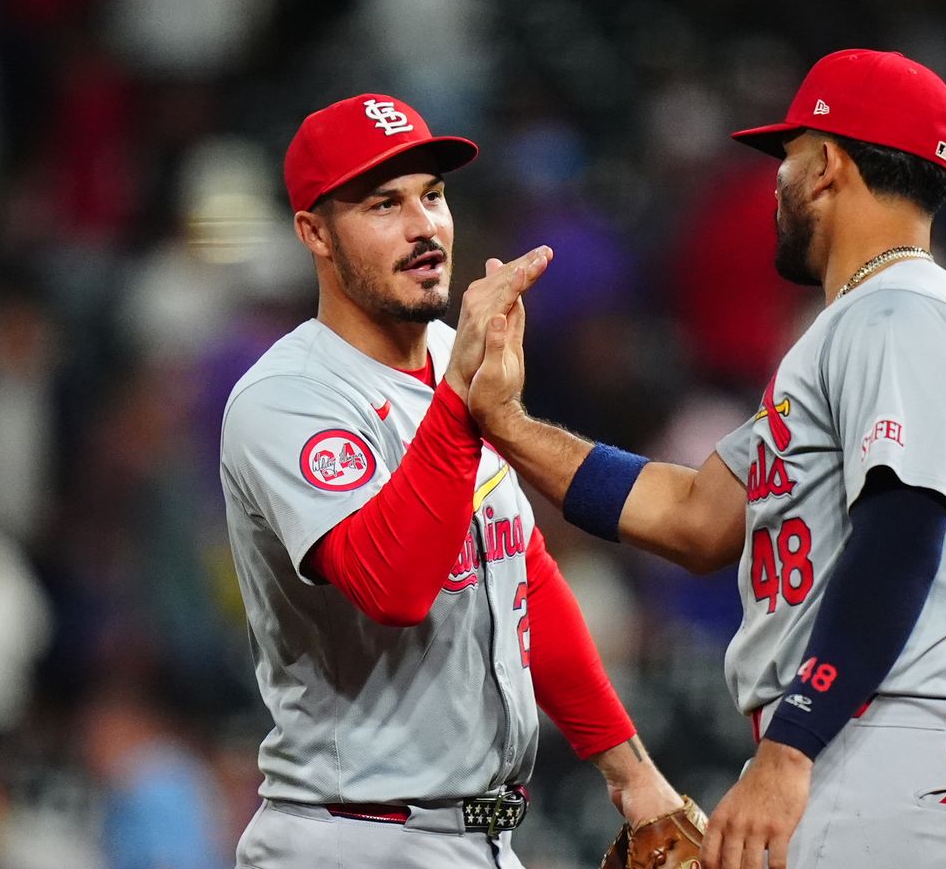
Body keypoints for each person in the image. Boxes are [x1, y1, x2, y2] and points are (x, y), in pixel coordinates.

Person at [463, 50, 946, 869]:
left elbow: (903, 531)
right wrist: (504, 423)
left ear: (829, 166)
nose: (777, 181)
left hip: (883, 738)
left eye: (789, 156)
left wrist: (792, 745)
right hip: (863, 739)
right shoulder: (853, 329)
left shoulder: (904, 309)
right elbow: (696, 515)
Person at [219, 93, 683, 869]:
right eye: (383, 203)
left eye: (432, 195)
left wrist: (632, 775)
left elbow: (522, 573)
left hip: (477, 835)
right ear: (315, 233)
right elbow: (393, 588)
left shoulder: (450, 355)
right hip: (351, 837)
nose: (423, 225)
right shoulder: (287, 397)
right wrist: (464, 398)